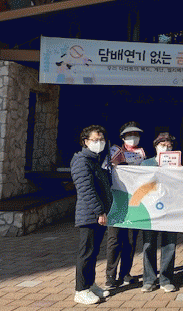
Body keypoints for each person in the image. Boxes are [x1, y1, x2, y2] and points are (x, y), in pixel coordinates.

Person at [71, 125, 113, 305]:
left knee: (94, 252)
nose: (99, 143)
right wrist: (99, 211)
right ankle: (81, 290)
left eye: (102, 139)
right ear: (85, 142)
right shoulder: (82, 161)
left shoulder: (95, 160)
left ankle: (90, 284)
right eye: (95, 140)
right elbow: (86, 190)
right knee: (86, 253)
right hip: (89, 214)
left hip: (96, 213)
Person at [104, 121, 145, 289]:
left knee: (131, 239)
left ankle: (125, 273)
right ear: (122, 137)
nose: (133, 138)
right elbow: (106, 171)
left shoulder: (141, 153)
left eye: (136, 135)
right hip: (117, 201)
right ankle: (110, 276)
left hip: (135, 201)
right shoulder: (115, 151)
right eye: (129, 135)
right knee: (114, 239)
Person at [139, 132, 178, 293]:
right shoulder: (146, 164)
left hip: (170, 209)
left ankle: (166, 279)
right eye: (163, 144)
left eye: (169, 145)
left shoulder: (177, 163)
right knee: (149, 244)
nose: (166, 147)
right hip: (151, 210)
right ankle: (149, 280)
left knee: (169, 244)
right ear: (156, 146)